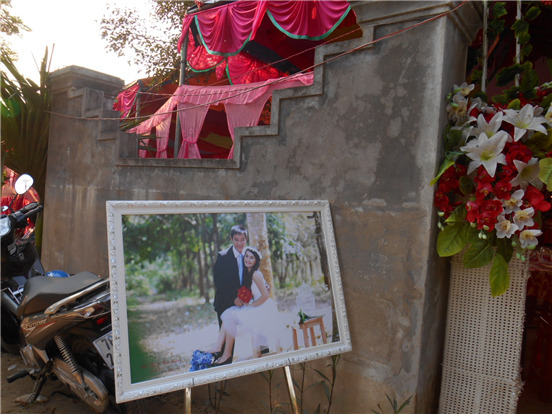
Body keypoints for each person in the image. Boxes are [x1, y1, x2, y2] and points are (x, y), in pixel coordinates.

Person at [207, 246, 284, 365]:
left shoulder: (255, 274)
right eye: (246, 256)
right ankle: (219, 347)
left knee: (230, 315)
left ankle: (225, 351)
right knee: (229, 313)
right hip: (254, 305)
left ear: (256, 260)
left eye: (251, 258)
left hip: (261, 307)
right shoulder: (247, 273)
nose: (248, 259)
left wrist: (251, 304)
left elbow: (265, 296)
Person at [213, 225, 251, 327]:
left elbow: (253, 276)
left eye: (242, 239)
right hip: (225, 303)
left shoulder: (249, 257)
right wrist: (233, 299)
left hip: (244, 305)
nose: (239, 243)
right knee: (227, 336)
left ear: (246, 239)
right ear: (231, 239)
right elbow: (218, 282)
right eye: (236, 240)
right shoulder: (223, 256)